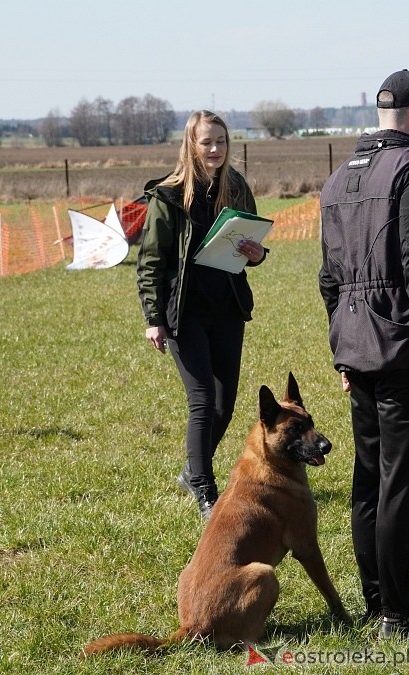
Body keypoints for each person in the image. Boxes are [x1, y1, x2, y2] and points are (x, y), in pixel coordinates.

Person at [318, 70, 409, 640]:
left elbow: (329, 278)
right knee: (400, 486)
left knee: (369, 482)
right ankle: (398, 618)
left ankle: (378, 604)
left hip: (356, 348)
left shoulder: (337, 179)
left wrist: (342, 351)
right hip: (403, 349)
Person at [136, 110, 268, 520]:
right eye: (207, 142)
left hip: (227, 308)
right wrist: (153, 317)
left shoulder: (237, 187)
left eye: (221, 142)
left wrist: (258, 253)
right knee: (202, 400)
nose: (215, 149)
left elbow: (253, 245)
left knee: (224, 405)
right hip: (183, 313)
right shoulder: (168, 196)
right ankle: (206, 492)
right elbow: (151, 261)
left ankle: (193, 470)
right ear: (191, 146)